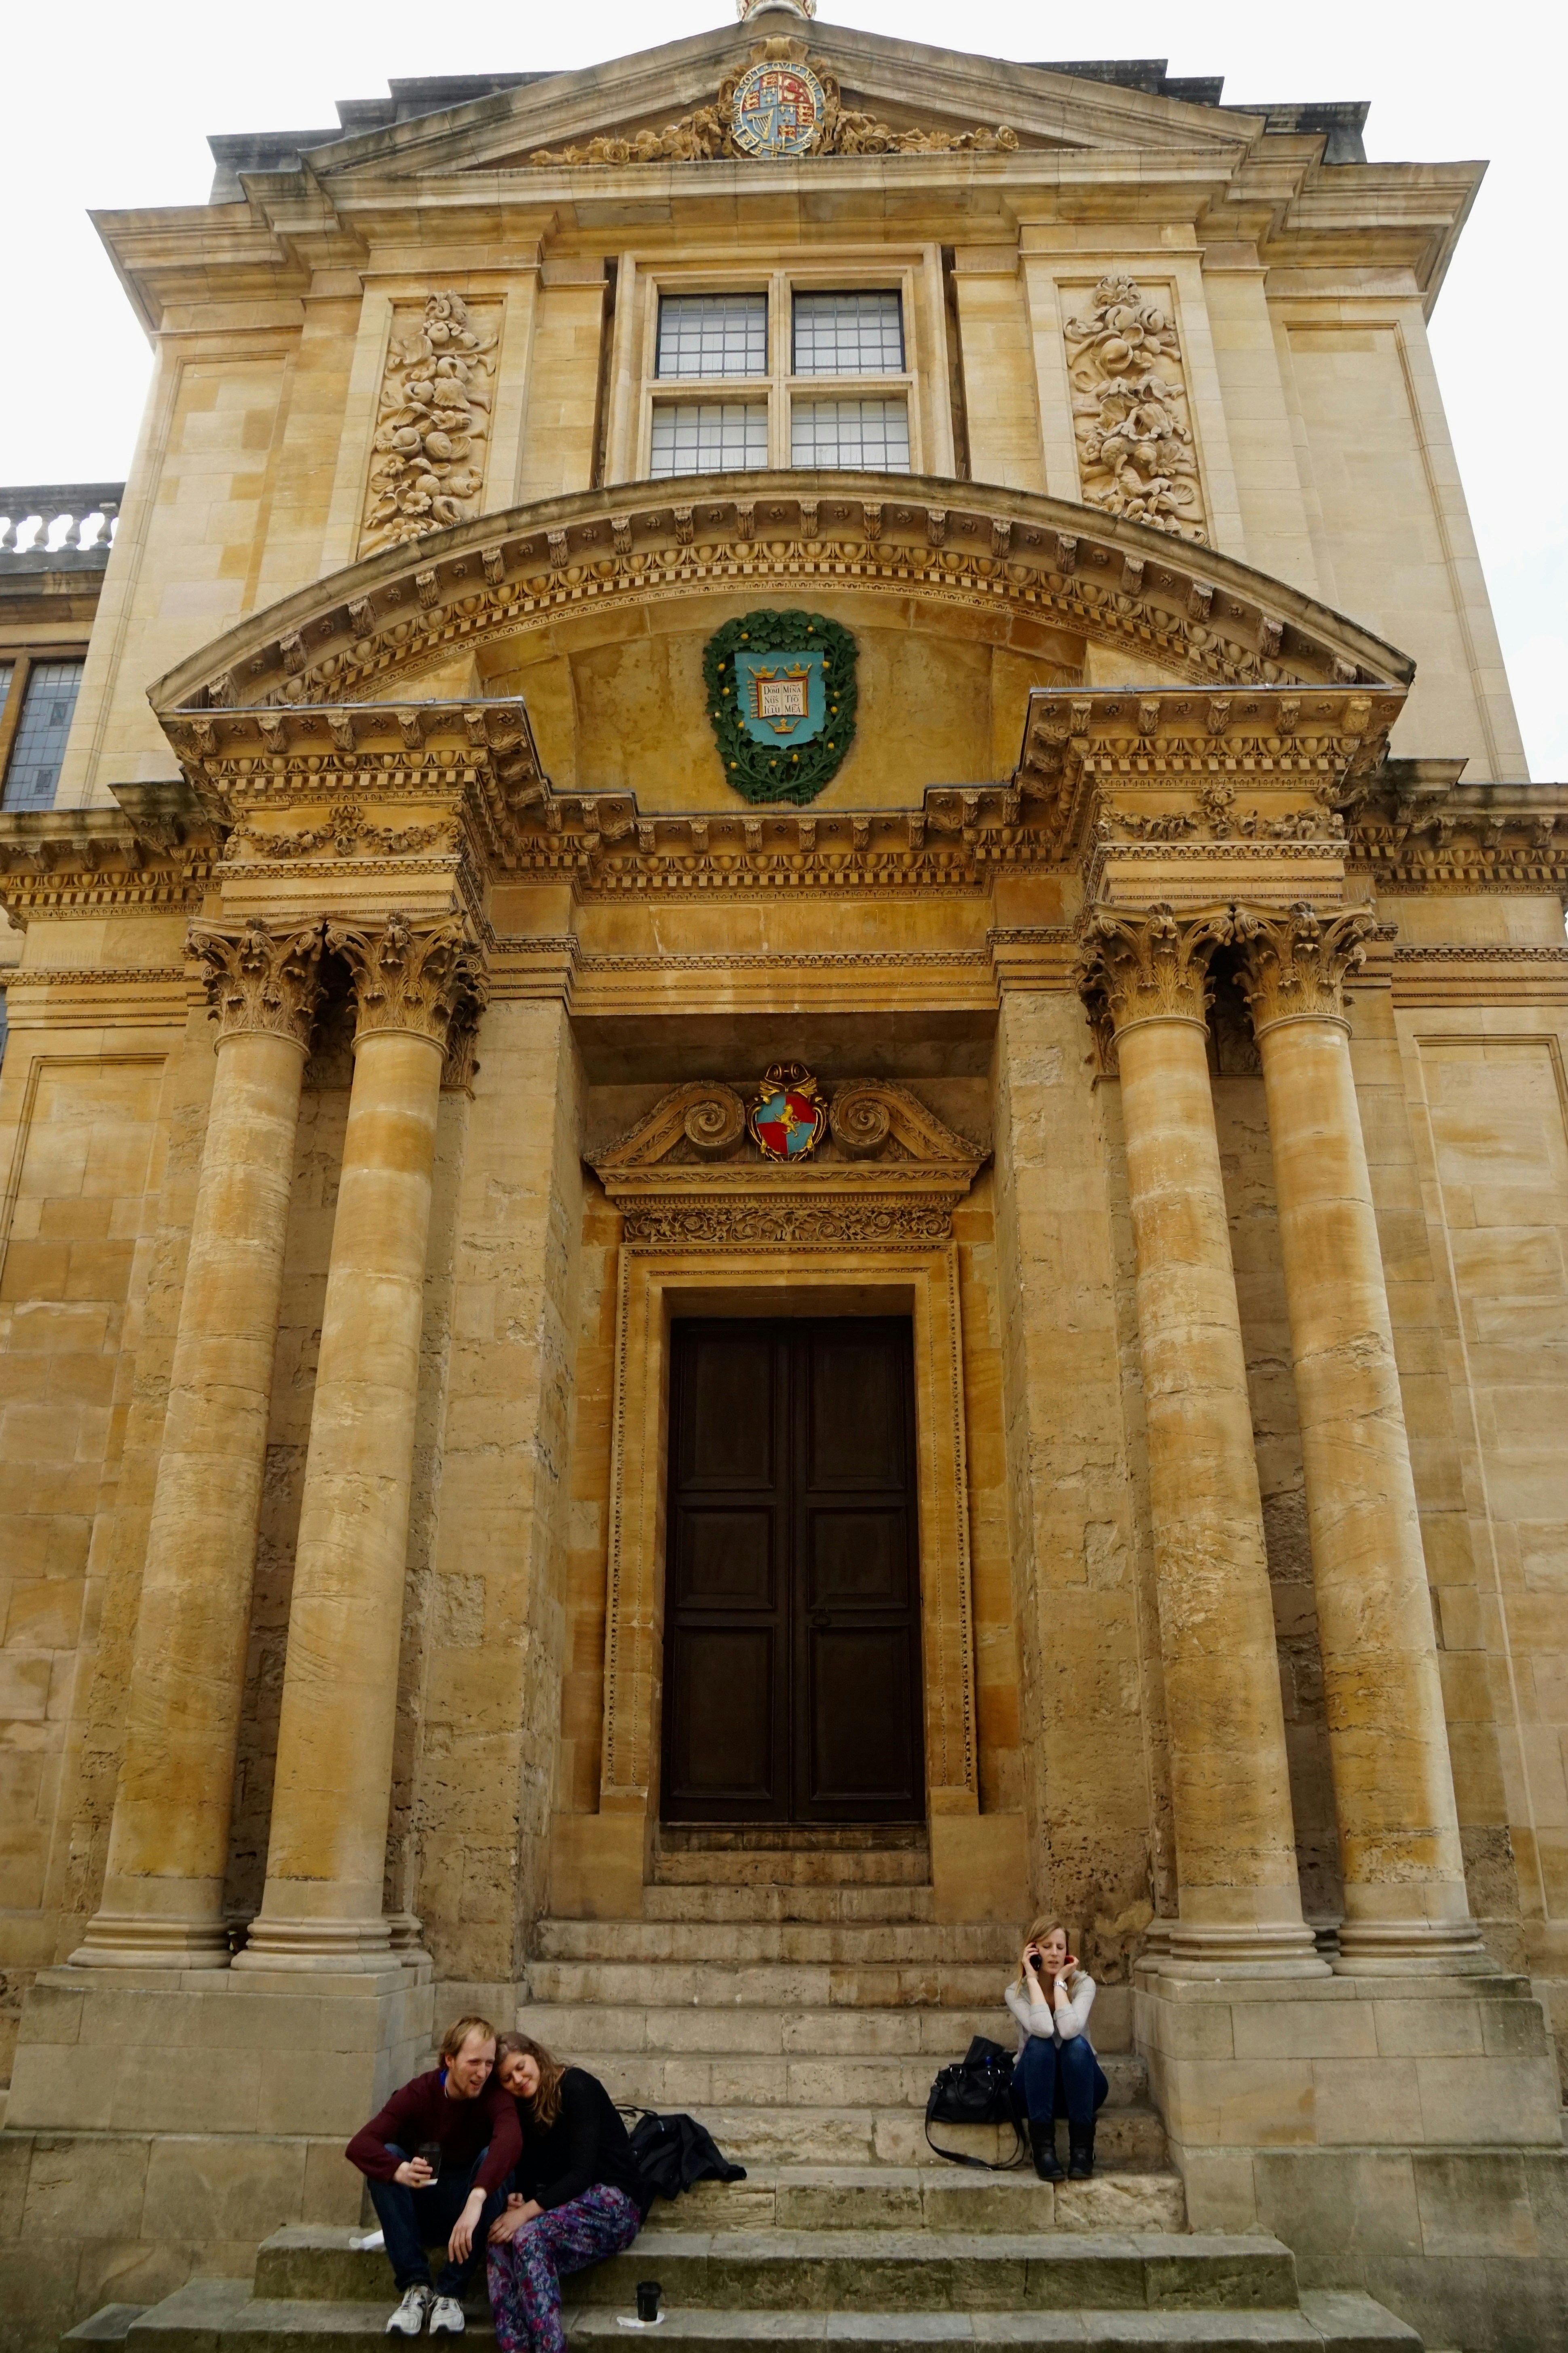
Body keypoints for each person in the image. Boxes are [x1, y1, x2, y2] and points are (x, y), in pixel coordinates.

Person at [347, 2014, 522, 2337]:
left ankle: (450, 2293)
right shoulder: (420, 2092)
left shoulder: (494, 2094)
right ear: (449, 2060)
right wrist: (399, 2170)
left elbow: (511, 2139)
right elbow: (360, 2145)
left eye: (488, 2063)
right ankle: (416, 2288)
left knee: (493, 2160)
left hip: (472, 2215)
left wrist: (477, 2198)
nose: (483, 2073)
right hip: (424, 2207)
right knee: (387, 2156)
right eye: (474, 2062)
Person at [486, 2032, 648, 2353]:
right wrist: (519, 2197)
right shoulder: (523, 2108)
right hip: (565, 2209)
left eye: (521, 2067)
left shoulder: (577, 2087)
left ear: (535, 2056)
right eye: (507, 2078)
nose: (518, 2079)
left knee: (528, 2237)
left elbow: (581, 2175)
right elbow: (532, 2172)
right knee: (499, 2241)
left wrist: (525, 2213)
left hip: (614, 2204)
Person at [1005, 1918, 1109, 2183]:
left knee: (1076, 2046)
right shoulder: (1016, 1992)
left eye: (1060, 1947)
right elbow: (1042, 2029)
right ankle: (1043, 2152)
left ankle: (1083, 2152)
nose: (1054, 1953)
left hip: (1081, 2088)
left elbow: (1069, 2030)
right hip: (1035, 2091)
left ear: (1068, 1953)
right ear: (1032, 1951)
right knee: (1040, 2045)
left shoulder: (1084, 1984)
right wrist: (1032, 1979)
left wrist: (1061, 1983)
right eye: (1046, 1946)